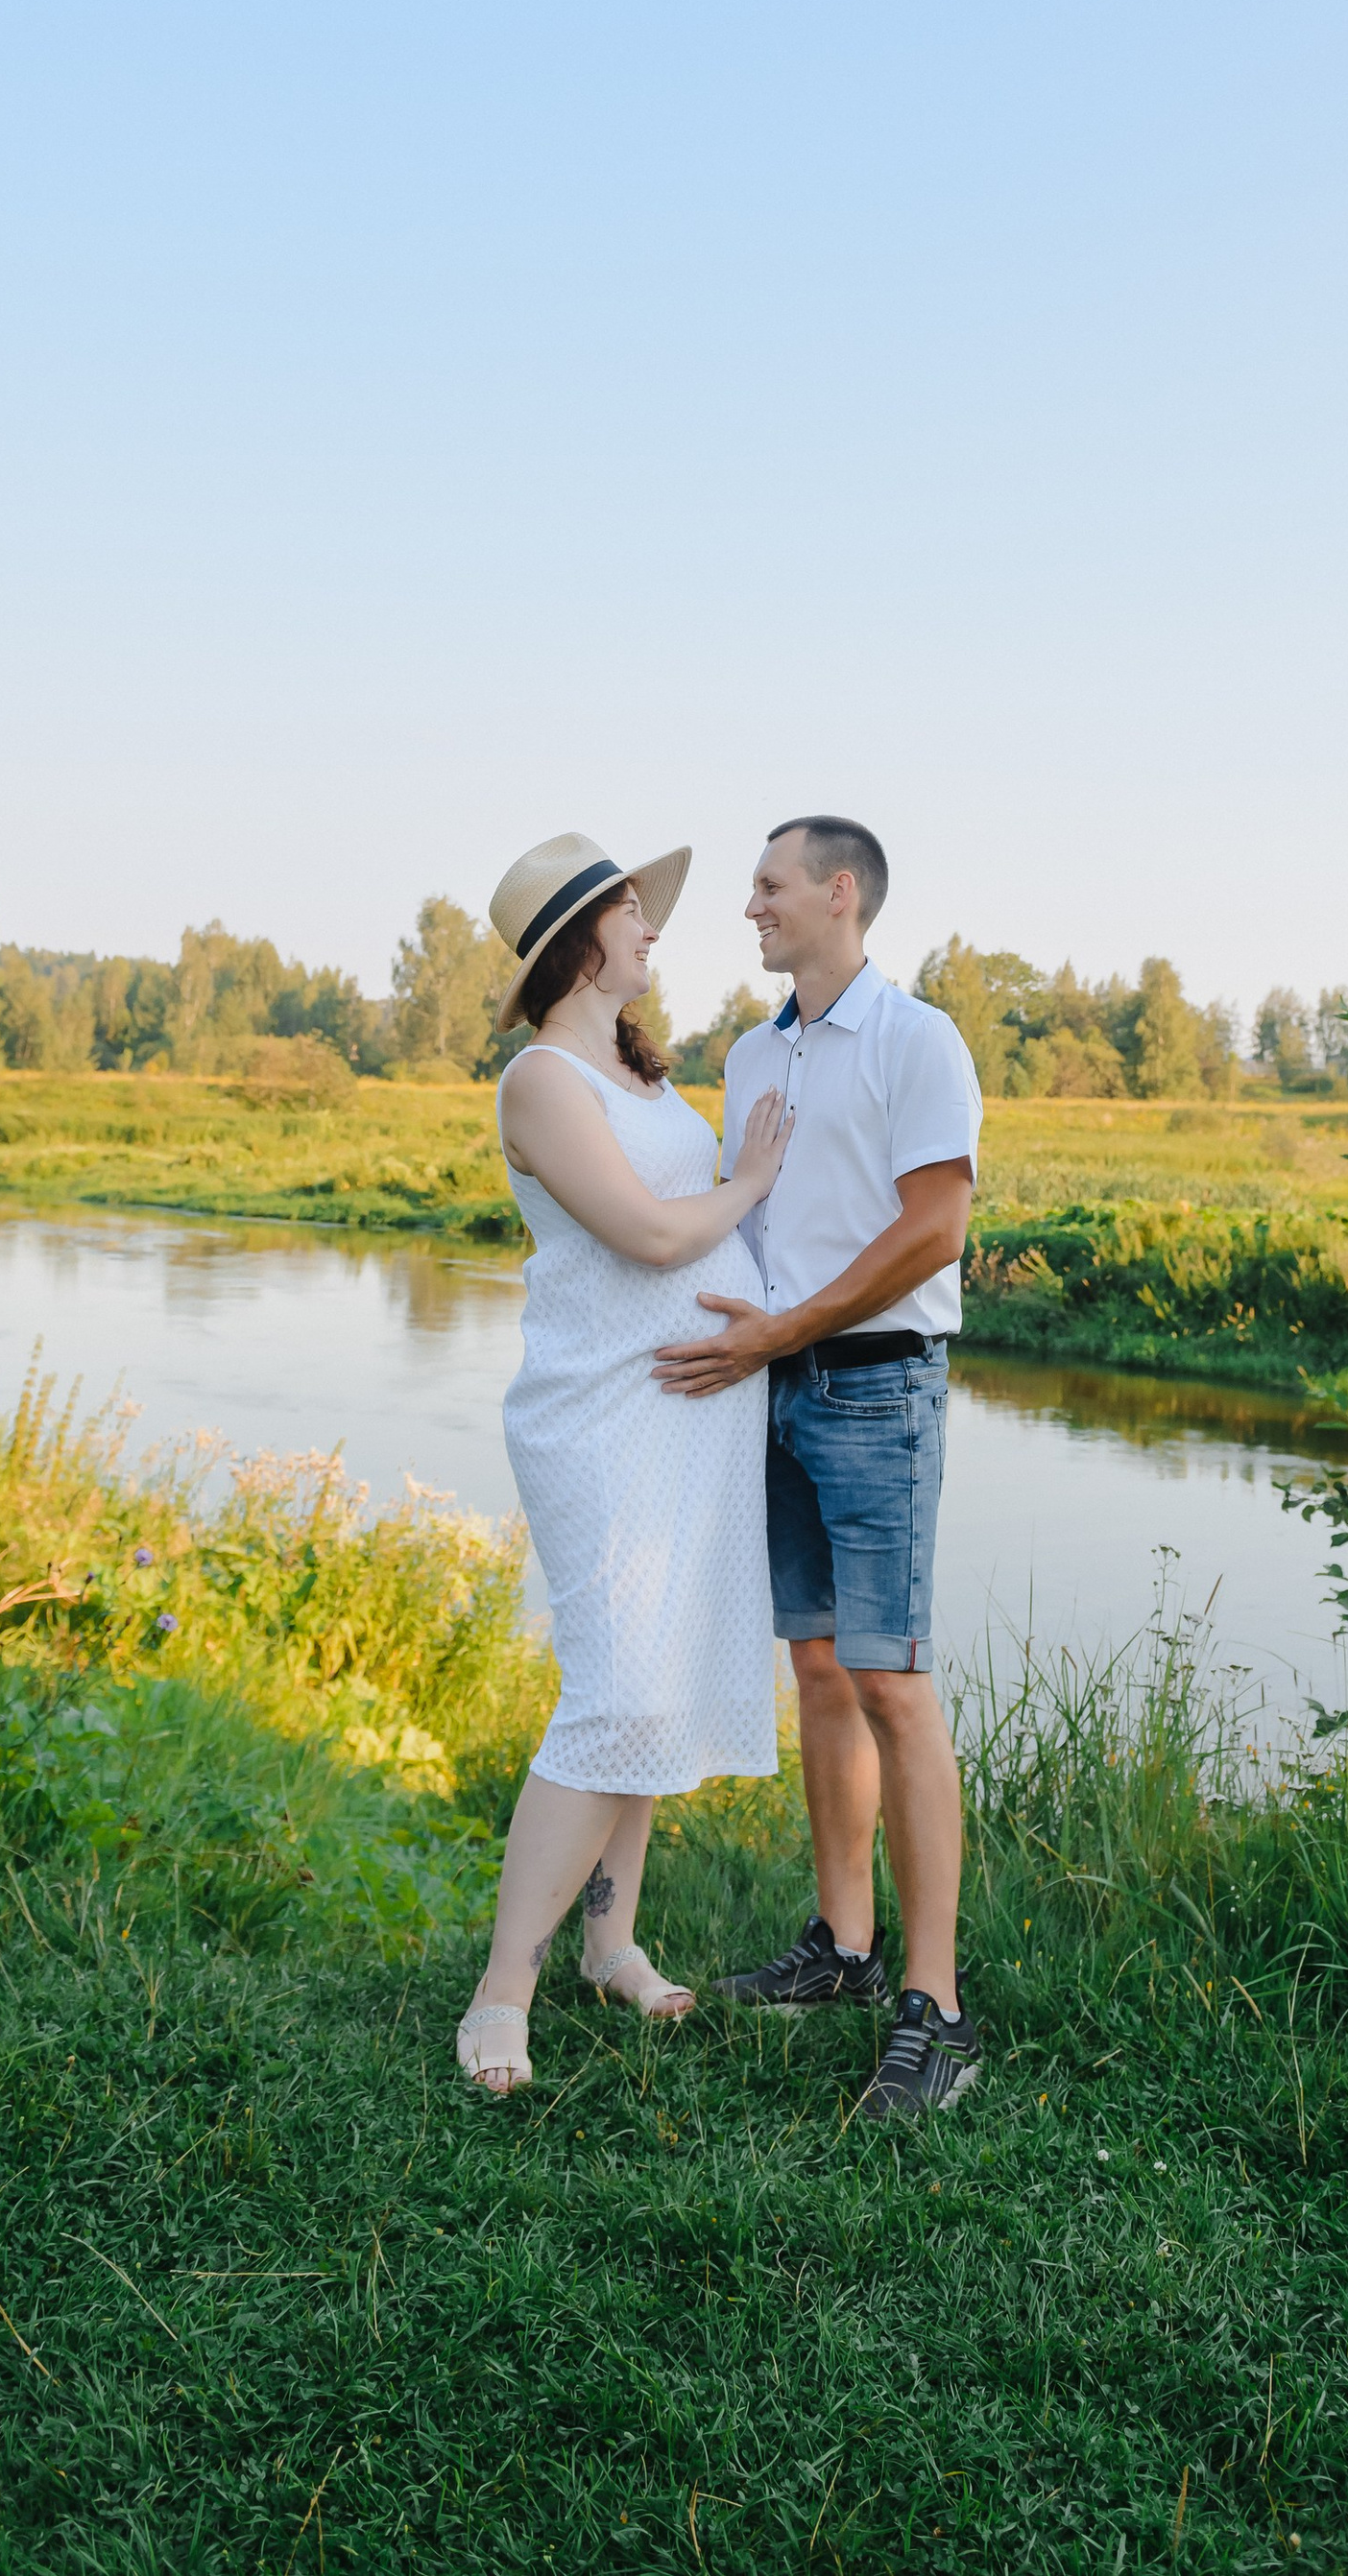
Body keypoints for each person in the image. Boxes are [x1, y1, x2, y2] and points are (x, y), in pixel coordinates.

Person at [653, 816, 984, 2120]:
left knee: (894, 1684)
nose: (751, 907)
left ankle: (937, 2009)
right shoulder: (752, 1051)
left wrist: (794, 1330)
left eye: (770, 886)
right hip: (770, 1390)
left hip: (877, 1385)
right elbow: (741, 1214)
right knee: (820, 1671)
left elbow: (937, 1226)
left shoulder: (919, 1041)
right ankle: (841, 1951)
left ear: (840, 895)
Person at [457, 829, 792, 2096]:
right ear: (578, 941)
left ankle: (612, 1944)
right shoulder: (542, 1078)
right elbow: (654, 1236)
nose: (655, 931)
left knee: (651, 1686)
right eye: (633, 916)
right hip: (606, 1418)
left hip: (689, 1420)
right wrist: (751, 1180)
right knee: (613, 1692)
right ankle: (502, 1994)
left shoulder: (641, 1076)